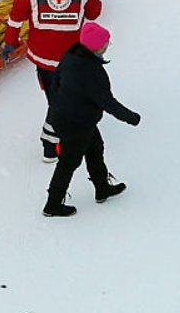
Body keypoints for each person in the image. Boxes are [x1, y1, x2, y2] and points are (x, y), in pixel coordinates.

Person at [1, 0, 103, 162]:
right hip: (74, 59)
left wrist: (10, 43)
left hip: (44, 59)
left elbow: (15, 18)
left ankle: (51, 142)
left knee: (57, 100)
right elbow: (94, 13)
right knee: (67, 99)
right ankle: (57, 138)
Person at [43, 22, 140, 217]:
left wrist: (58, 104)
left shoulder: (71, 56)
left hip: (76, 118)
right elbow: (106, 101)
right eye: (106, 42)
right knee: (68, 162)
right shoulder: (90, 71)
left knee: (95, 149)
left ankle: (102, 187)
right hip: (75, 123)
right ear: (97, 46)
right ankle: (53, 204)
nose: (108, 44)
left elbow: (54, 83)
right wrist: (131, 117)